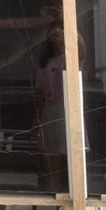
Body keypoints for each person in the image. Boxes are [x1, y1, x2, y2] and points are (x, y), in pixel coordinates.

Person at [34, 20, 86, 189]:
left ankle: (74, 196)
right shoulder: (46, 61)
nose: (57, 31)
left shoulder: (72, 57)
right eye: (54, 29)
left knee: (73, 160)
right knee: (52, 163)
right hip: (50, 112)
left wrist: (67, 19)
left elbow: (81, 49)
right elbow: (41, 95)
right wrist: (37, 121)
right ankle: (54, 194)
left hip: (69, 110)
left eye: (62, 28)